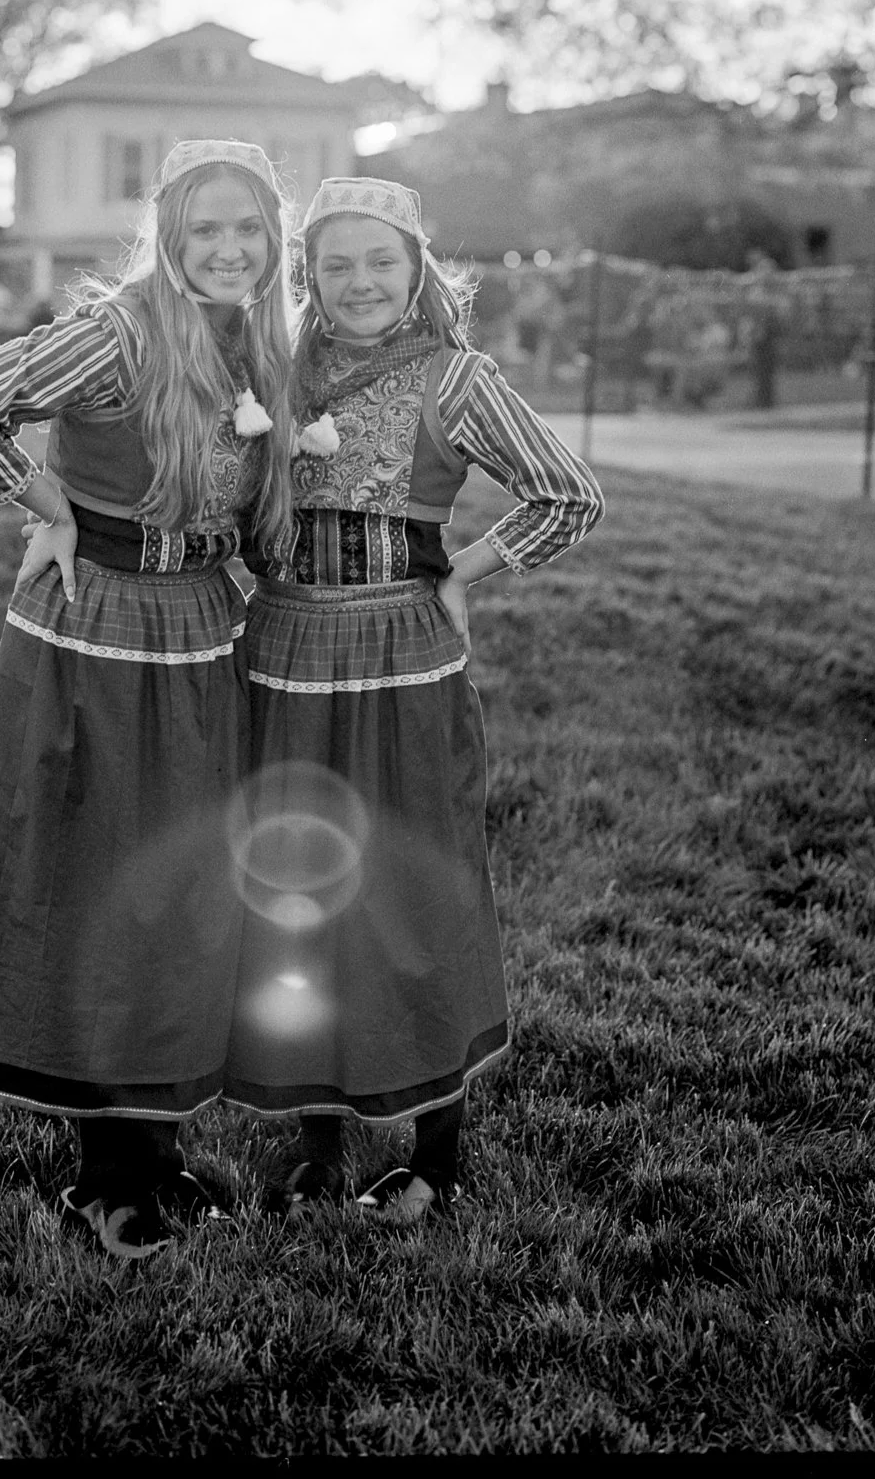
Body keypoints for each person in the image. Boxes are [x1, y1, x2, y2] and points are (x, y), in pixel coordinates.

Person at [0, 138, 295, 1260]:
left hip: (203, 622)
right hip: (105, 625)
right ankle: (104, 1177)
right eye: (205, 228)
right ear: (168, 236)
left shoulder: (264, 343)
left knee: (184, 885)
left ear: (275, 239)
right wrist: (48, 502)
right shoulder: (118, 334)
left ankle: (160, 1158)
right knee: (105, 883)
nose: (229, 249)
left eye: (250, 228)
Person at [224, 177, 604, 1227]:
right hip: (284, 644)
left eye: (380, 260)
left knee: (412, 887)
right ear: (305, 274)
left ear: (415, 268)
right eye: (335, 263)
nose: (359, 282)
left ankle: (436, 1151)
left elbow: (568, 493)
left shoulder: (455, 376)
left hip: (402, 653)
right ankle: (317, 1140)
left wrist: (461, 574)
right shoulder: (272, 370)